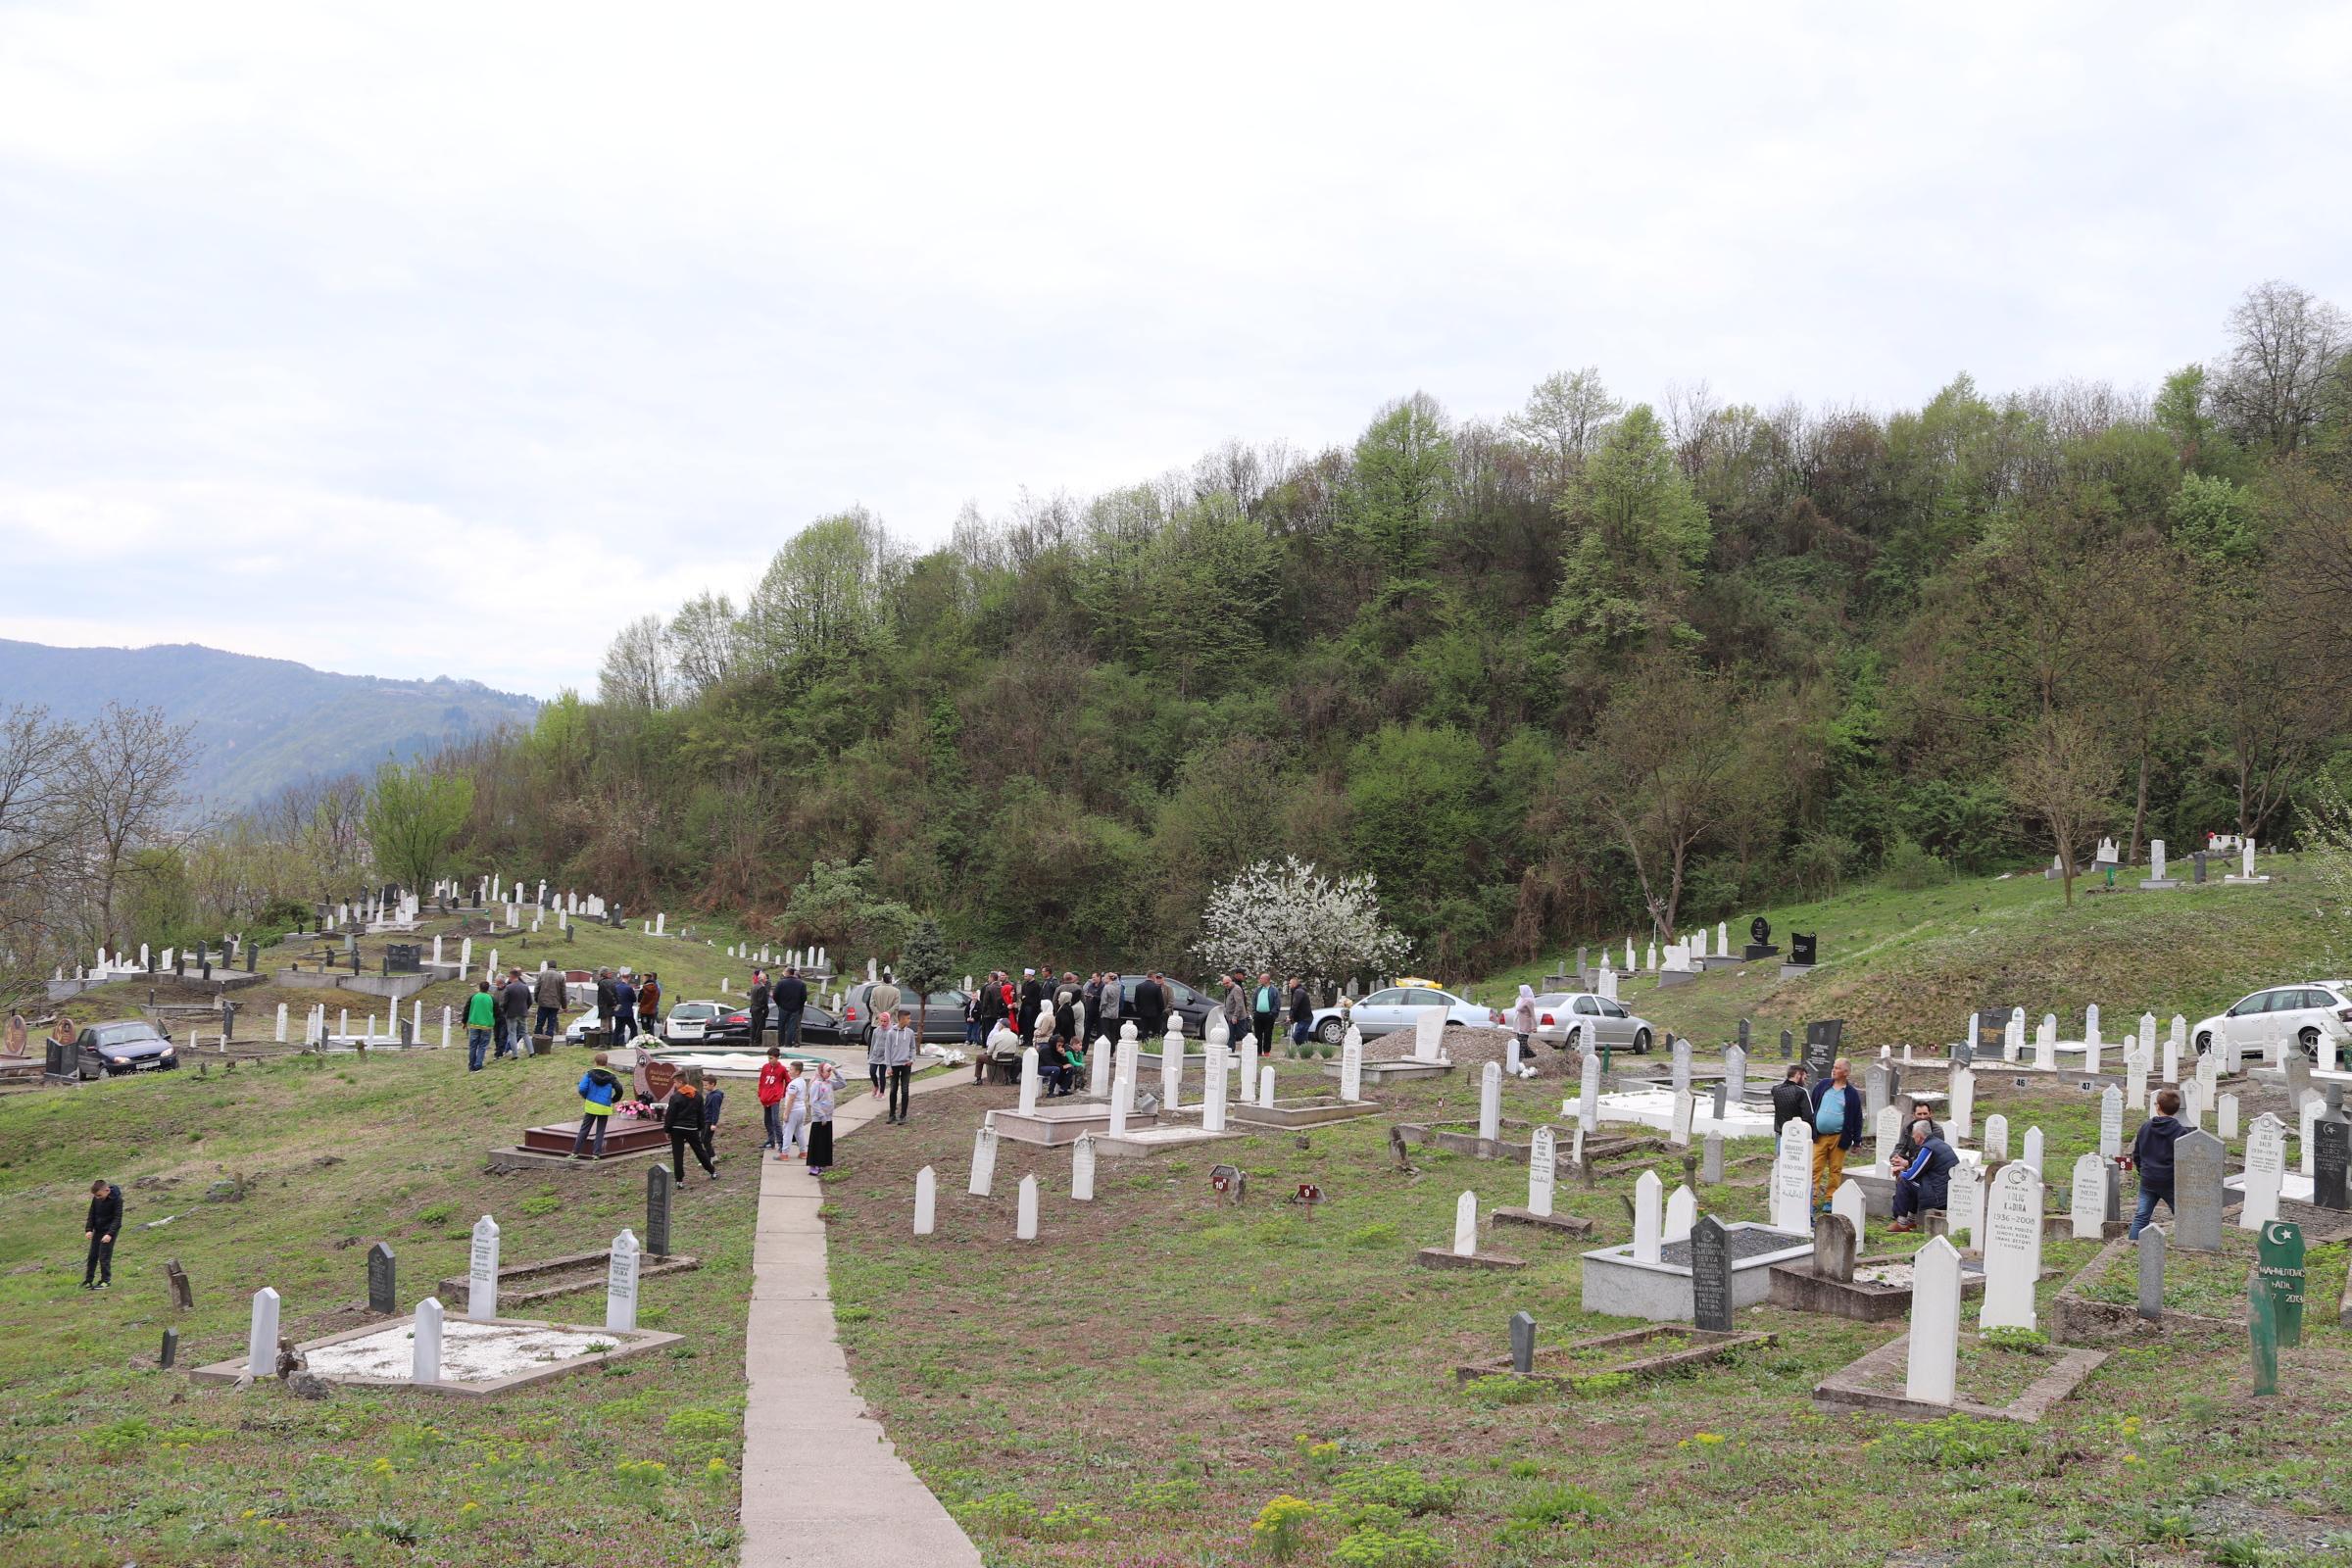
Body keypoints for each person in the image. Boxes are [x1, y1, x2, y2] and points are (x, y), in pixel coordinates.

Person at [2125, 1088, 2191, 1238]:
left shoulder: (2145, 1127)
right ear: (2176, 1110)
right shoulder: (2181, 1132)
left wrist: (2143, 1171)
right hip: (2170, 1180)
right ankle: (2187, 1240)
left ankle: (2132, 1244)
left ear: (2158, 1107)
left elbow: (2137, 1154)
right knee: (2183, 1214)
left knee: (2141, 1216)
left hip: (2148, 1179)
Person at [1886, 1106, 1957, 1233]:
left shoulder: (1928, 1148)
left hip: (1939, 1195)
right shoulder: (1937, 1143)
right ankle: (1911, 1220)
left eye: (1914, 1136)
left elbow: (1913, 1174)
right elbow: (1920, 1168)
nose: (1913, 1138)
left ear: (1919, 1136)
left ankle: (1902, 1223)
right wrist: (1905, 1168)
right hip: (1943, 1188)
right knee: (1913, 1180)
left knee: (1904, 1180)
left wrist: (1901, 1172)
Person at [1809, 1057, 1864, 1204]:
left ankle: (1830, 1199)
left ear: (1846, 1073)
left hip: (1838, 1137)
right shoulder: (1823, 1085)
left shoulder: (1851, 1093)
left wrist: (1857, 1140)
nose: (1833, 1070)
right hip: (1819, 1136)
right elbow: (1812, 1104)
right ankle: (1811, 1199)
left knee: (1835, 1169)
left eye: (1838, 1068)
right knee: (1815, 1168)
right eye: (1834, 1066)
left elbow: (1857, 1118)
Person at [569, 1052, 625, 1158]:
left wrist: (587, 1096)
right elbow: (619, 1089)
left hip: (591, 1105)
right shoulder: (612, 1077)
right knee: (600, 1130)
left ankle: (575, 1152)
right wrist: (614, 1099)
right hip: (604, 1107)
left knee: (584, 1129)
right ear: (607, 1063)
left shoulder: (589, 1074)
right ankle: (596, 1154)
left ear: (595, 1062)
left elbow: (582, 1088)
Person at [663, 1075, 717, 1180]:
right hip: (691, 1128)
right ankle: (712, 1171)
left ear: (680, 1081)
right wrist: (700, 1127)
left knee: (678, 1154)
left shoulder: (675, 1096)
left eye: (675, 1082)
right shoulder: (697, 1095)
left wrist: (667, 1129)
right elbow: (701, 1113)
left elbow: (670, 1114)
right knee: (699, 1151)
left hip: (676, 1129)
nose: (674, 1085)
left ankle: (679, 1180)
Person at [82, 1177, 121, 1290]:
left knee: (104, 1256)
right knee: (92, 1256)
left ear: (107, 1190)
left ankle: (105, 1281)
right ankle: (88, 1281)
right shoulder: (96, 1199)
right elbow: (92, 1213)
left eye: (99, 1195)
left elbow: (118, 1219)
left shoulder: (117, 1199)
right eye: (95, 1196)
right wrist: (89, 1229)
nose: (97, 1198)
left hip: (109, 1231)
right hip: (98, 1230)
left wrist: (110, 1234)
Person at [884, 1006, 917, 1122]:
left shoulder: (910, 1033)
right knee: (893, 1090)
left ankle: (903, 1116)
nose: (910, 1020)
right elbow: (887, 1050)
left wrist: (912, 1059)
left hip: (906, 1065)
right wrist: (888, 1066)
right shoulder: (890, 1033)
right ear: (901, 1019)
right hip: (894, 1066)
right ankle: (892, 1114)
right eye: (908, 1018)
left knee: (905, 1090)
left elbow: (913, 1047)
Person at [805, 1062, 838, 1175]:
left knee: (825, 1142)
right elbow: (813, 1102)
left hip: (828, 1117)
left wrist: (835, 1071)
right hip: (819, 1119)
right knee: (817, 1142)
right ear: (821, 1071)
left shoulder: (828, 1083)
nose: (829, 1074)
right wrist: (822, 1116)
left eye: (830, 1071)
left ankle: (822, 1163)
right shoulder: (816, 1084)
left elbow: (843, 1083)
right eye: (827, 1071)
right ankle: (813, 1165)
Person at [758, 1047, 789, 1153]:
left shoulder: (782, 1069)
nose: (769, 1060)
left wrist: (783, 1093)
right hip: (765, 1098)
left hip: (774, 1099)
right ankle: (771, 1141)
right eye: (768, 1058)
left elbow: (788, 1081)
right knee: (767, 1121)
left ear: (777, 1058)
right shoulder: (765, 1067)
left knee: (775, 1120)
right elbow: (761, 1081)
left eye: (771, 1058)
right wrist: (760, 1093)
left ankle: (781, 1142)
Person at [778, 1062, 810, 1161]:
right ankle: (803, 1152)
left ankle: (784, 1154)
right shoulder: (802, 1081)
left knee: (787, 1132)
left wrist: (786, 1113)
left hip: (794, 1110)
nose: (789, 1071)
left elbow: (791, 1100)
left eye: (791, 1069)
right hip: (801, 1109)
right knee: (799, 1131)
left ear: (797, 1072)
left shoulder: (793, 1084)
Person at [465, 980, 497, 1071]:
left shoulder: (474, 997)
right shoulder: (491, 998)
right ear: (488, 988)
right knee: (482, 1046)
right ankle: (478, 1064)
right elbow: (497, 1012)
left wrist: (464, 1021)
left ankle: (471, 1066)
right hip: (487, 1026)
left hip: (474, 1024)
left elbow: (466, 1009)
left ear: (479, 987)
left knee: (473, 1046)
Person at [1769, 1064, 1810, 1135]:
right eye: (1804, 1078)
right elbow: (1808, 1116)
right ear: (1798, 1075)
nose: (1804, 1082)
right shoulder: (1801, 1092)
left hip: (1780, 1131)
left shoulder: (1775, 1089)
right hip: (1796, 1133)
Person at [500, 968, 530, 1057]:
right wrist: (525, 1008)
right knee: (525, 1033)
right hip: (523, 1013)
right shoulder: (525, 986)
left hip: (511, 1014)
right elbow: (530, 1000)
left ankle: (515, 1054)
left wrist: (505, 1011)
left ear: (512, 976)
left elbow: (505, 1002)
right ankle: (531, 1052)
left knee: (512, 1033)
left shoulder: (509, 987)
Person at [1509, 985, 1539, 1077]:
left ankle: (1520, 1062)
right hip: (1519, 1025)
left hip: (1525, 1025)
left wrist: (1534, 1026)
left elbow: (1533, 1014)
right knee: (1521, 1043)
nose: (1520, 992)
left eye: (1521, 991)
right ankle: (1532, 1055)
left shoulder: (1529, 1001)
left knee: (1522, 1044)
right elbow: (1517, 1010)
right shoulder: (1521, 1000)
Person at [775, 966, 808, 1049]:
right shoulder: (801, 984)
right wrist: (799, 1005)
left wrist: (779, 1004)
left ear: (787, 973)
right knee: (791, 1026)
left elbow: (775, 995)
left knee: (781, 1026)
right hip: (795, 1008)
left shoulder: (781, 983)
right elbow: (804, 997)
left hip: (783, 1007)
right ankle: (788, 1043)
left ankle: (781, 1043)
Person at [533, 963, 566, 1039]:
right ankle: (548, 1042)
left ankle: (537, 1041)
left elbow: (537, 989)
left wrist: (537, 999)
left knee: (539, 1023)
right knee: (551, 1025)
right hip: (554, 1004)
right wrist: (564, 1006)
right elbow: (563, 993)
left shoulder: (542, 975)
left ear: (548, 966)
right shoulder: (560, 977)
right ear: (555, 967)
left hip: (542, 1003)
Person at [701, 1078, 726, 1168]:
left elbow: (716, 1110)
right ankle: (711, 1157)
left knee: (706, 1140)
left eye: (706, 1085)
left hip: (710, 1121)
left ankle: (711, 1157)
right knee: (703, 1139)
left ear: (713, 1084)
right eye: (703, 1085)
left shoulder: (716, 1096)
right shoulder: (710, 1094)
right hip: (705, 1119)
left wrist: (714, 1123)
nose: (704, 1087)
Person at [867, 969, 902, 1037]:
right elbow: (896, 1005)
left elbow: (871, 1005)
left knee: (874, 1042)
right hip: (891, 1021)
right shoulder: (896, 991)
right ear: (891, 980)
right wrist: (887, 1015)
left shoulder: (875, 990)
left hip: (877, 1021)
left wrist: (880, 1015)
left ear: (882, 979)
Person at [1134, 971, 1167, 1040]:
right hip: (1155, 1014)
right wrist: (1160, 1012)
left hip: (1143, 1013)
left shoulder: (1139, 987)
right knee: (1156, 1031)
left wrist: (1139, 1011)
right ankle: (1155, 1047)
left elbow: (1136, 1001)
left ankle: (1144, 1045)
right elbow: (1161, 1002)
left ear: (1147, 976)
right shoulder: (1157, 987)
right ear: (1153, 976)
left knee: (1144, 1031)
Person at [866, 1013, 891, 1099]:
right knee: (872, 1072)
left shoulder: (890, 1031)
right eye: (881, 1021)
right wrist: (870, 1054)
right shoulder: (876, 1031)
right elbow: (873, 1043)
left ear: (888, 1021)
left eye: (885, 1021)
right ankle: (876, 1085)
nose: (883, 1023)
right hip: (875, 1055)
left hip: (884, 1056)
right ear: (879, 1021)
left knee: (882, 1075)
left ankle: (882, 1092)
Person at [1252, 971, 1279, 1054]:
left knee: (1268, 1034)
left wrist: (1272, 1014)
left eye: (1261, 978)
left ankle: (1267, 1051)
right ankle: (1258, 1052)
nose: (1259, 980)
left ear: (1267, 980)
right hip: (1258, 1015)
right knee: (1258, 1034)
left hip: (1269, 1015)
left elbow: (1277, 1003)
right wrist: (1254, 1011)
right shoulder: (1258, 989)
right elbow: (1254, 1001)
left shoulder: (1274, 990)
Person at [611, 972, 638, 1046]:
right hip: (627, 1012)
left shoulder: (616, 987)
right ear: (628, 978)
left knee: (617, 1029)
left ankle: (615, 1043)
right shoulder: (629, 988)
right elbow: (634, 999)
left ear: (621, 978)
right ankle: (634, 1042)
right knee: (633, 1028)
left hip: (618, 1011)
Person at [1017, 968, 1044, 1043]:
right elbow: (1022, 994)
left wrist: (1027, 999)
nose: (1024, 978)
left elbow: (1037, 998)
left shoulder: (1036, 985)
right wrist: (1023, 997)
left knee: (1030, 1023)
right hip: (1025, 1006)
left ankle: (1030, 1040)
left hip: (1032, 1008)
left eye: (1026, 976)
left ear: (1031, 976)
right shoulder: (1025, 984)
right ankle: (1025, 1039)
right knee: (1024, 1023)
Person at [747, 970, 771, 1050]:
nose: (766, 980)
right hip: (759, 1010)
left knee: (754, 1026)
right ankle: (757, 1041)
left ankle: (751, 1041)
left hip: (753, 1008)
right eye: (765, 978)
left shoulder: (754, 986)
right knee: (760, 1026)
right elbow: (762, 1001)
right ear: (762, 979)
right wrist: (765, 1009)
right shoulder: (762, 988)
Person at [1289, 976, 1312, 1051]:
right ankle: (1305, 1051)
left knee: (1297, 1035)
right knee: (1303, 1037)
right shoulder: (1297, 991)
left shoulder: (1299, 992)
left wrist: (1290, 1016)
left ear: (1294, 984)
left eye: (1290, 983)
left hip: (1305, 1018)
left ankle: (1302, 1049)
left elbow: (1295, 1005)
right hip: (1303, 1018)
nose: (1289, 984)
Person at [595, 967, 618, 1040]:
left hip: (605, 1007)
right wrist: (615, 1004)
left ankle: (603, 1044)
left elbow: (608, 995)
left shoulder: (602, 983)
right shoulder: (613, 982)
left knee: (604, 1027)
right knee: (610, 1026)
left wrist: (612, 1003)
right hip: (610, 1008)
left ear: (602, 974)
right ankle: (609, 1043)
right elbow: (616, 994)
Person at [637, 972, 662, 1041]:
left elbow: (639, 1000)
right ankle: (652, 1041)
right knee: (651, 1026)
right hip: (652, 1010)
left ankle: (645, 1040)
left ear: (645, 978)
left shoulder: (643, 989)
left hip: (644, 1011)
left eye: (643, 978)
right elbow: (657, 999)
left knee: (645, 1027)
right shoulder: (657, 989)